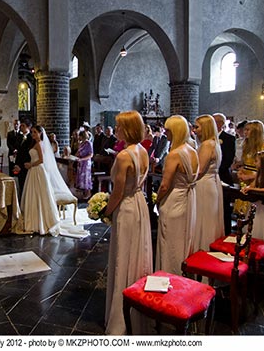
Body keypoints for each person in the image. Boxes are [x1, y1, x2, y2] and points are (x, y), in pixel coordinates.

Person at [104, 111, 152, 335]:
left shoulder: (124, 155)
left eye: (119, 127)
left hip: (126, 206)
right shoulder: (142, 151)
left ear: (129, 129)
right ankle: (139, 305)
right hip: (140, 204)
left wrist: (106, 211)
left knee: (123, 254)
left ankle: (121, 316)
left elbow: (118, 192)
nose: (116, 130)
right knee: (137, 252)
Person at [154, 115, 199, 276]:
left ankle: (170, 273)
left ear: (175, 131)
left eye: (168, 130)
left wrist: (157, 200)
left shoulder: (175, 154)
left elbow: (165, 185)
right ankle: (185, 273)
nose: (165, 133)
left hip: (174, 200)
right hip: (189, 199)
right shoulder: (192, 151)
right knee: (184, 237)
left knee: (171, 241)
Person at [19, 125, 62, 236]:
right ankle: (36, 220)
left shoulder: (39, 144)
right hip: (35, 171)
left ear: (40, 133)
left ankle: (38, 222)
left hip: (37, 170)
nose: (33, 134)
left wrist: (30, 164)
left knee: (38, 195)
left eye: (34, 132)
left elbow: (41, 160)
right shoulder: (38, 144)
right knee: (35, 195)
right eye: (32, 132)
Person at [192, 115, 224, 252]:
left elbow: (199, 171)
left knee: (203, 220)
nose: (194, 130)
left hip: (204, 184)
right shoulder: (214, 143)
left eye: (197, 127)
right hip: (212, 182)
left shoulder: (207, 145)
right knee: (209, 219)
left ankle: (202, 251)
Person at [237, 120, 264, 186]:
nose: (245, 132)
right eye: (245, 130)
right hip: (245, 179)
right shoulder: (246, 146)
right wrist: (241, 171)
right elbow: (244, 164)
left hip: (258, 180)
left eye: (248, 130)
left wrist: (249, 176)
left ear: (256, 132)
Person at [213, 113, 236, 186]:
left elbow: (229, 158)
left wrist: (217, 170)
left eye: (213, 122)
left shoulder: (229, 138)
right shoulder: (208, 138)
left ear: (220, 123)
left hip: (222, 173)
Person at [13, 119, 34, 194]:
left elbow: (28, 154)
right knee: (20, 185)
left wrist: (21, 166)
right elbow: (18, 151)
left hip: (25, 165)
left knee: (26, 185)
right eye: (21, 125)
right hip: (19, 163)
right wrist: (16, 164)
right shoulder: (20, 136)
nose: (21, 127)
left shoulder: (31, 138)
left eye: (23, 126)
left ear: (28, 127)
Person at [75, 130, 93, 199]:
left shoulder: (88, 143)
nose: (79, 137)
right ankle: (83, 193)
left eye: (80, 136)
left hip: (86, 163)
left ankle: (88, 193)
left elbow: (91, 154)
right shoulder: (81, 143)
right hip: (80, 162)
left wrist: (82, 159)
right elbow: (78, 152)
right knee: (81, 178)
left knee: (86, 177)